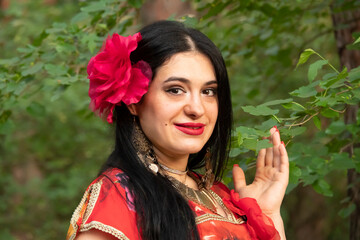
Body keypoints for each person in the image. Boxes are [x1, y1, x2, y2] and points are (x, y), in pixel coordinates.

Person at [66, 20, 288, 240]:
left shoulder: (220, 197)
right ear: (134, 101)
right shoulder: (117, 198)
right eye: (175, 90)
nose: (197, 109)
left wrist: (267, 216)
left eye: (208, 91)